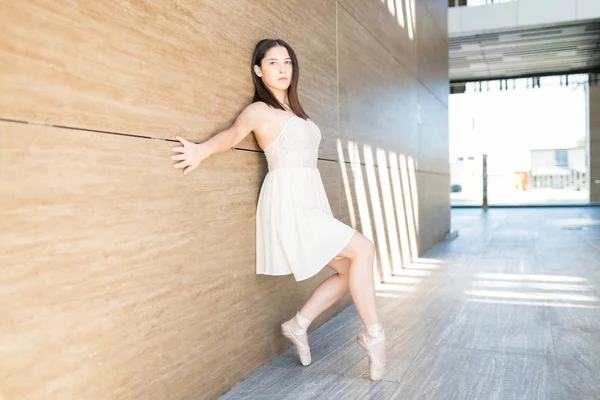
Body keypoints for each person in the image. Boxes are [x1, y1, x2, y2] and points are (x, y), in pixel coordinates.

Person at [171, 38, 386, 380]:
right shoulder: (260, 110)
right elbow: (231, 135)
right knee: (364, 249)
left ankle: (297, 325)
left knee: (350, 270)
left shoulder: (296, 113)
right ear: (258, 70)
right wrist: (201, 151)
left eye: (287, 62)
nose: (282, 68)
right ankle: (374, 335)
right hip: (290, 204)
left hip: (310, 201)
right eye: (272, 63)